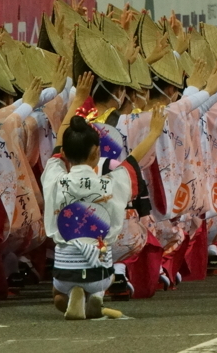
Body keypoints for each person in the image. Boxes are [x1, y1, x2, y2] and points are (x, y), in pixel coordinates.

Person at [42, 76, 164, 320]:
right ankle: (95, 296)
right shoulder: (109, 182)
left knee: (57, 291)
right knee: (101, 275)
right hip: (99, 267)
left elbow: (59, 141)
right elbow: (133, 159)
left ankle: (67, 294)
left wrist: (77, 100)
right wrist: (154, 132)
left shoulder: (54, 177)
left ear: (64, 153)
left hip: (64, 266)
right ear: (98, 152)